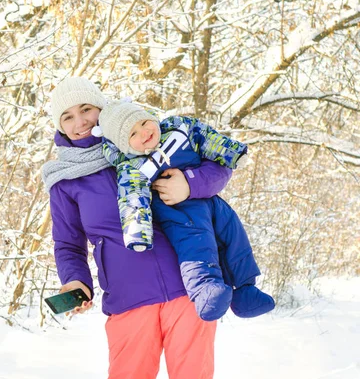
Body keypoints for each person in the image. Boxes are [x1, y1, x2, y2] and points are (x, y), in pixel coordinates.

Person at [42, 76, 232, 379]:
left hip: (187, 287)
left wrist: (189, 184)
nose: (80, 121)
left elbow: (219, 165)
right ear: (60, 126)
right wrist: (75, 281)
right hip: (128, 297)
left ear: (101, 108)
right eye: (68, 116)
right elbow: (67, 244)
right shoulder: (65, 182)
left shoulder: (138, 138)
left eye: (86, 109)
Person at [94, 100, 275, 321]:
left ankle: (246, 290)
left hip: (210, 200)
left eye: (143, 122)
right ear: (126, 145)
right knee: (196, 247)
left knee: (235, 237)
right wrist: (137, 233)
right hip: (178, 213)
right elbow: (132, 198)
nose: (144, 132)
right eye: (133, 134)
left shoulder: (178, 128)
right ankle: (204, 291)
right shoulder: (132, 167)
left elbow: (206, 137)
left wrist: (232, 152)